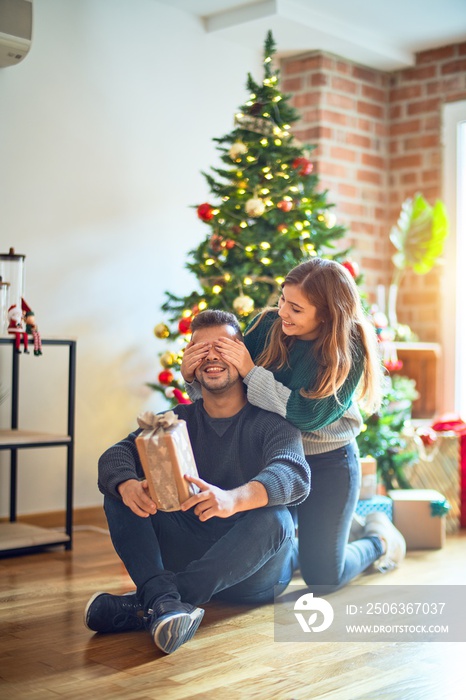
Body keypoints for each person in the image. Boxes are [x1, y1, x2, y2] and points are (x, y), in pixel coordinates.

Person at [85, 310, 310, 655]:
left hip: (254, 571)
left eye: (222, 346)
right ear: (189, 363)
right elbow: (115, 456)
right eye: (200, 349)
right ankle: (164, 604)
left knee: (276, 517)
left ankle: (156, 601)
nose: (212, 357)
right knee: (120, 491)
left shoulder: (273, 421)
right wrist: (128, 485)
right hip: (190, 546)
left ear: (242, 355)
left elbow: (293, 473)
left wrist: (232, 499)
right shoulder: (176, 420)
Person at [182, 258, 406, 594]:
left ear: (327, 314)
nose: (283, 311)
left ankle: (378, 538)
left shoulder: (350, 347)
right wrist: (192, 377)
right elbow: (229, 391)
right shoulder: (266, 325)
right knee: (272, 553)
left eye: (296, 308)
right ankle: (321, 543)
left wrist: (250, 369)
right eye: (283, 299)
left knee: (323, 578)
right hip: (274, 455)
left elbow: (306, 414)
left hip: (328, 460)